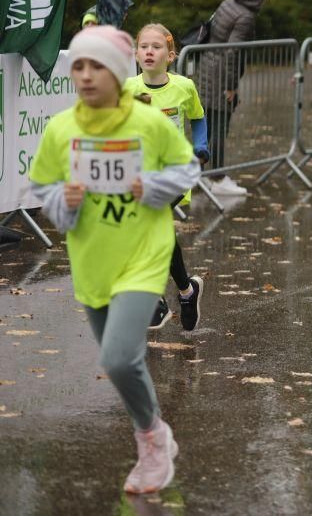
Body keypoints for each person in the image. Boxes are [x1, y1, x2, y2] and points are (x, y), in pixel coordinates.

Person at [28, 26, 200, 493]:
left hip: (143, 255)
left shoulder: (148, 123)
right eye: (79, 66)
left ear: (118, 71)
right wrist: (63, 201)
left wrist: (154, 187)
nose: (86, 75)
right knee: (121, 361)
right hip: (92, 260)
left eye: (97, 66)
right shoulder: (63, 128)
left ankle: (151, 442)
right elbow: (43, 185)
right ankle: (156, 431)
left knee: (120, 358)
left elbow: (186, 168)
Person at [124, 23, 209, 331]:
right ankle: (186, 290)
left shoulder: (184, 87)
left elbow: (198, 118)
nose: (149, 51)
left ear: (170, 56)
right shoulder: (128, 88)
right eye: (144, 46)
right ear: (136, 54)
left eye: (156, 47)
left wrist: (201, 146)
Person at [194, 0, 269, 197]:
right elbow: (232, 52)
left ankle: (198, 174)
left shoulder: (228, 3)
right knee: (218, 128)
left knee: (206, 128)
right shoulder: (245, 17)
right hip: (219, 76)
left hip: (206, 68)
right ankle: (217, 177)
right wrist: (230, 86)